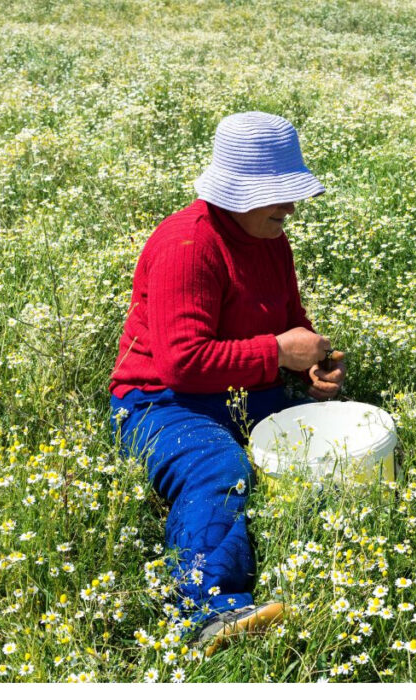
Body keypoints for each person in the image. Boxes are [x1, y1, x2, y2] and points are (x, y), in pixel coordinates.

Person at [108, 112, 347, 655]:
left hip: (243, 390)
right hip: (158, 402)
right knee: (217, 467)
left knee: (329, 452)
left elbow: (288, 319)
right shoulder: (187, 246)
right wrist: (279, 353)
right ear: (236, 193)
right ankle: (204, 608)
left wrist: (310, 362)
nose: (290, 208)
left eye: (292, 193)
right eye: (276, 195)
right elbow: (182, 364)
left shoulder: (268, 239)